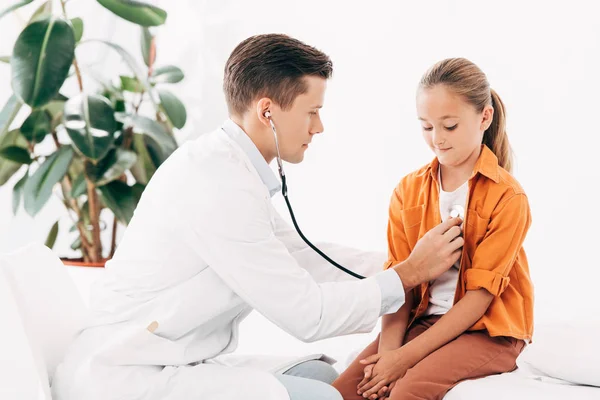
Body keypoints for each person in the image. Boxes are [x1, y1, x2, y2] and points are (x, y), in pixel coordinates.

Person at [52, 35, 464, 400]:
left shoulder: (232, 171)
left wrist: (405, 262)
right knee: (324, 397)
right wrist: (407, 274)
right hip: (125, 375)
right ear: (267, 111)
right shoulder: (217, 184)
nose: (319, 127)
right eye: (312, 111)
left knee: (321, 375)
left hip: (166, 356)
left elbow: (304, 255)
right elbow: (307, 315)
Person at [332, 58, 534, 400]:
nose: (437, 139)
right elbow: (401, 283)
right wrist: (387, 358)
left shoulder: (508, 196)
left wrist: (403, 361)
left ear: (484, 117)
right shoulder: (407, 191)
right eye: (426, 127)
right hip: (422, 323)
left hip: (489, 332)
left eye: (449, 126)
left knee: (407, 391)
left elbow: (480, 298)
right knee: (343, 392)